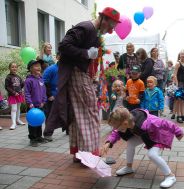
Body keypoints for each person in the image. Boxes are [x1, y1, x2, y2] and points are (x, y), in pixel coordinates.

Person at [43, 7, 121, 161]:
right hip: (76, 73)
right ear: (104, 19)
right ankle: (91, 153)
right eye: (111, 26)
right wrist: (85, 53)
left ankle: (79, 153)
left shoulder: (93, 32)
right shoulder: (86, 27)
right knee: (90, 112)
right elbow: (63, 46)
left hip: (79, 73)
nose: (110, 30)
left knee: (78, 113)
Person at [102, 107, 184, 188]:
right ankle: (128, 167)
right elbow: (116, 132)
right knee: (131, 143)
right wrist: (109, 142)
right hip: (145, 135)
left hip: (158, 136)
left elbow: (165, 123)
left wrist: (178, 132)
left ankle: (170, 176)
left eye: (116, 127)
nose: (114, 129)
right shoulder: (128, 121)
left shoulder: (149, 122)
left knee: (152, 154)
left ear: (125, 124)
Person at [24, 60, 47, 147]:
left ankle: (39, 136)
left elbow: (44, 91)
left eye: (39, 66)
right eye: (36, 66)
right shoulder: (28, 80)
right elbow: (27, 93)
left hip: (40, 105)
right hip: (32, 106)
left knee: (39, 121)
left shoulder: (41, 79)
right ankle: (32, 139)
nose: (39, 67)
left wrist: (43, 101)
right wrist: (30, 103)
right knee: (32, 122)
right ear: (30, 69)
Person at [42, 53, 60, 136]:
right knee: (50, 116)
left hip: (63, 96)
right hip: (52, 97)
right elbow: (44, 82)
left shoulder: (67, 69)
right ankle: (48, 134)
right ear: (57, 57)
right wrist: (49, 95)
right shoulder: (51, 69)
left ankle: (68, 130)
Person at [5, 62, 26, 130]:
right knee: (14, 109)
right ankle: (13, 123)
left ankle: (18, 120)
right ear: (9, 68)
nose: (14, 68)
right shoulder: (8, 77)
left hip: (19, 95)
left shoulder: (18, 76)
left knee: (18, 108)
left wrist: (24, 83)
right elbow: (7, 87)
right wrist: (13, 92)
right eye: (12, 67)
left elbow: (21, 84)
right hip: (13, 95)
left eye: (15, 67)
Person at [173, 50, 184, 123]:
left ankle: (182, 115)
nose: (183, 55)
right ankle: (178, 116)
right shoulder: (178, 63)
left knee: (183, 100)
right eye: (182, 54)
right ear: (179, 55)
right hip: (180, 83)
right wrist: (177, 84)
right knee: (179, 100)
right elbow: (175, 74)